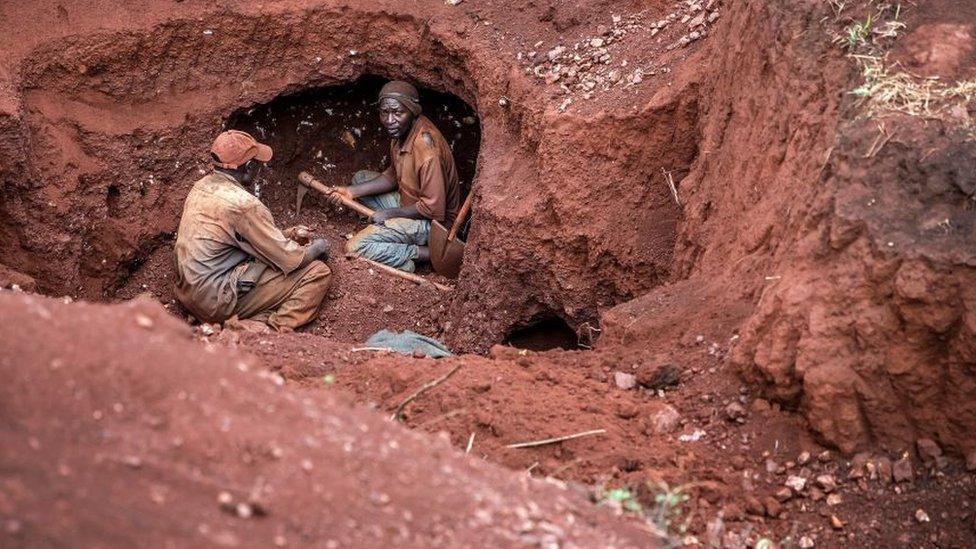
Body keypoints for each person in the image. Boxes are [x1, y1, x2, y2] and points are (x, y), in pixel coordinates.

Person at [174, 129, 332, 332]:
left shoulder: (201, 187)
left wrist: (285, 234)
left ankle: (251, 317)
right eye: (255, 162)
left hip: (189, 294)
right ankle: (272, 329)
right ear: (247, 166)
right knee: (317, 272)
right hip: (215, 302)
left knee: (261, 263)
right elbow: (291, 260)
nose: (258, 167)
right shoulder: (243, 205)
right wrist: (318, 247)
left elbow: (234, 238)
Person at [329, 80, 461, 272]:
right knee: (360, 179)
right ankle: (393, 234)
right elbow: (392, 177)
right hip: (409, 204)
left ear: (412, 111)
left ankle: (419, 253)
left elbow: (434, 209)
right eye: (385, 112)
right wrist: (350, 192)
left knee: (355, 247)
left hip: (432, 225)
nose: (390, 120)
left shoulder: (427, 150)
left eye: (398, 113)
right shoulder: (401, 132)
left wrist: (389, 214)